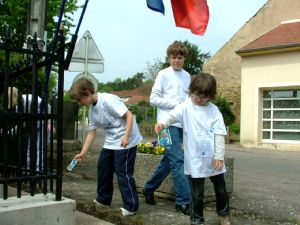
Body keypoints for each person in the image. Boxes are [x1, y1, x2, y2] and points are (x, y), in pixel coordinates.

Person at [154, 73, 231, 225]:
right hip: (195, 158)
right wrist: (163, 123)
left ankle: (223, 215)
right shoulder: (185, 106)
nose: (199, 99)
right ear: (191, 91)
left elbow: (220, 134)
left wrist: (219, 157)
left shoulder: (214, 110)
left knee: (221, 189)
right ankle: (197, 220)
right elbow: (171, 116)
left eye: (204, 97)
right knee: (196, 193)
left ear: (211, 96)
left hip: (213, 157)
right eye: (196, 95)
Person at [69, 77, 142, 217]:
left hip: (127, 139)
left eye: (79, 100)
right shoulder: (92, 110)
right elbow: (91, 133)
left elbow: (129, 116)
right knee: (103, 168)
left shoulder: (108, 100)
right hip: (111, 140)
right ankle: (103, 199)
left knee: (123, 172)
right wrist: (82, 153)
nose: (79, 103)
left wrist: (126, 136)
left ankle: (131, 206)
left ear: (87, 92)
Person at [142, 40, 191, 215]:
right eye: (173, 57)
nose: (176, 60)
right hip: (164, 126)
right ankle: (183, 202)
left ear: (184, 58)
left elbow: (189, 102)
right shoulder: (163, 74)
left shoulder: (187, 76)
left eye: (180, 57)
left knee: (169, 163)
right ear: (169, 58)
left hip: (181, 125)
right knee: (178, 161)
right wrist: (175, 103)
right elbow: (153, 99)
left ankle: (148, 188)